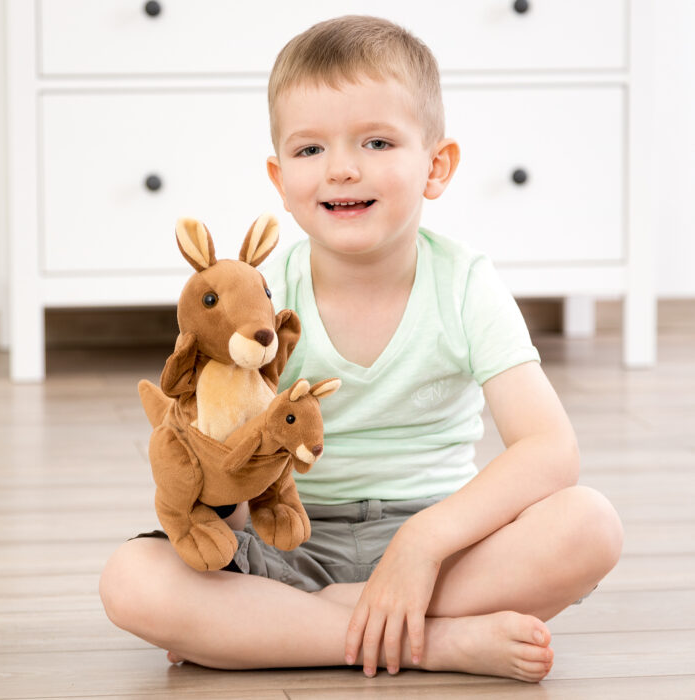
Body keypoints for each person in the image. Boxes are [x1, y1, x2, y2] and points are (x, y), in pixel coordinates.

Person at [99, 15, 624, 684]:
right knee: (132, 581)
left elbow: (551, 451)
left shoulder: (464, 283)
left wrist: (422, 544)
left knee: (591, 525)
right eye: (310, 150)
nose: (342, 168)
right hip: (287, 538)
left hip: (442, 547)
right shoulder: (264, 292)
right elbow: (220, 444)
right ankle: (430, 644)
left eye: (376, 141)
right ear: (280, 177)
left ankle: (290, 629)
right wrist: (214, 515)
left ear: (436, 166)